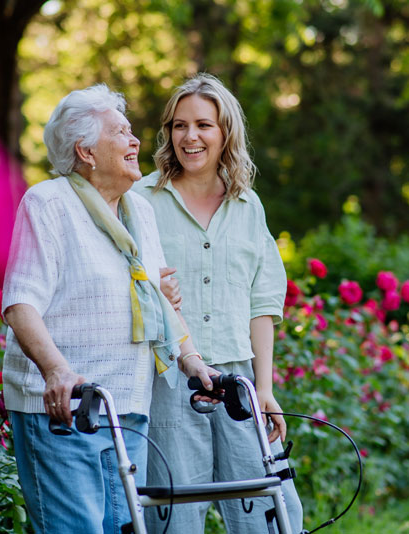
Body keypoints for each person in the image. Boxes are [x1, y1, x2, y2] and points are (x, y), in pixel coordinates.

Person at [1, 84, 217, 534]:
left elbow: (157, 299)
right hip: (66, 409)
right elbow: (20, 302)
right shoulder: (49, 204)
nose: (135, 140)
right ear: (86, 151)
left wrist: (193, 360)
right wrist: (57, 370)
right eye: (120, 132)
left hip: (127, 409)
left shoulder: (139, 211)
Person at [134, 74, 304, 534]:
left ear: (226, 132)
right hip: (168, 382)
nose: (190, 137)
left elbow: (262, 302)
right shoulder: (141, 201)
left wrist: (264, 388)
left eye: (203, 125)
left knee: (272, 514)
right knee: (174, 519)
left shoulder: (248, 205)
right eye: (180, 125)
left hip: (239, 383)